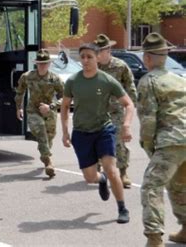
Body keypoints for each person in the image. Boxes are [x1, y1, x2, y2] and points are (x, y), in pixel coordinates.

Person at [60, 43, 134, 224]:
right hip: (81, 133)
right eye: (82, 57)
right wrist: (65, 132)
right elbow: (64, 106)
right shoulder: (72, 81)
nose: (85, 60)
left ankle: (122, 208)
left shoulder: (107, 80)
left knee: (112, 169)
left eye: (89, 57)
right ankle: (101, 180)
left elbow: (129, 104)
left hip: (103, 130)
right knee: (90, 177)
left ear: (97, 58)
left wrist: (126, 125)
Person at [136, 32, 186, 247]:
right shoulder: (179, 79)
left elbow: (148, 120)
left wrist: (148, 146)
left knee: (151, 186)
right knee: (179, 186)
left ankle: (154, 238)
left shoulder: (149, 81)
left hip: (170, 142)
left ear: (147, 58)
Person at [95, 34, 137, 188]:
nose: (98, 54)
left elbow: (130, 88)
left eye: (101, 50)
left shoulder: (120, 66)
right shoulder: (93, 67)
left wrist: (130, 106)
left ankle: (123, 171)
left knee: (119, 141)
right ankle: (98, 167)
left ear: (108, 50)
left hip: (116, 110)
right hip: (97, 111)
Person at [15, 49, 64, 178]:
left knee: (48, 138)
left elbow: (65, 97)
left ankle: (44, 155)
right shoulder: (27, 76)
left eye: (45, 63)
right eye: (40, 63)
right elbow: (20, 92)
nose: (42, 66)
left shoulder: (55, 79)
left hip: (50, 111)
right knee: (41, 131)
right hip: (33, 111)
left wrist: (51, 106)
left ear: (49, 64)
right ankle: (48, 162)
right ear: (36, 64)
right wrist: (18, 107)